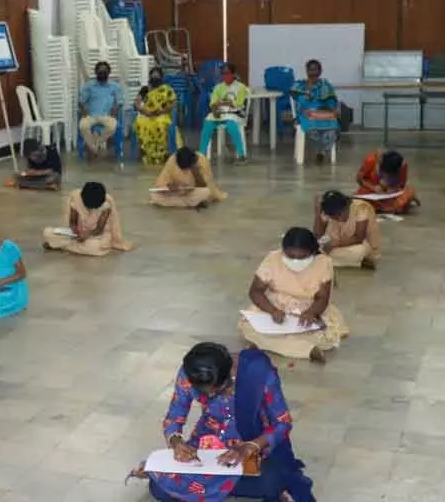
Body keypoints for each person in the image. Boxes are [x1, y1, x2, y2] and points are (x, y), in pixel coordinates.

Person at [127, 342, 315, 502]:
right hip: (208, 444)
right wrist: (177, 443)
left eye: (218, 390)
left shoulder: (257, 371)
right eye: (204, 392)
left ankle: (207, 488)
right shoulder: (189, 373)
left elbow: (282, 423)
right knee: (158, 488)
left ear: (229, 374)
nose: (209, 396)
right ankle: (219, 487)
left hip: (253, 442)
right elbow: (175, 416)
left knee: (272, 479)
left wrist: (250, 446)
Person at [241, 228, 348, 364]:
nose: (296, 261)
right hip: (275, 306)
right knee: (248, 327)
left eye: (302, 257)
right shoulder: (272, 259)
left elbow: (322, 297)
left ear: (312, 252)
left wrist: (311, 313)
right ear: (283, 250)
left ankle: (264, 343)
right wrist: (272, 310)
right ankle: (307, 350)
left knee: (324, 338)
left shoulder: (323, 263)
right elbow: (255, 291)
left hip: (310, 309)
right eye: (290, 256)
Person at [42, 181, 134, 256]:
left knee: (95, 247)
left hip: (97, 235)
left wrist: (87, 235)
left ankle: (60, 245)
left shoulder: (106, 203)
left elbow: (99, 229)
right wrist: (76, 231)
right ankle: (67, 245)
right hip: (78, 233)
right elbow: (73, 222)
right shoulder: (76, 197)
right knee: (48, 232)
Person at [314, 190, 380, 270]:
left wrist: (334, 244)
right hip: (336, 247)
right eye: (333, 217)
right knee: (314, 247)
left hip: (361, 246)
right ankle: (353, 262)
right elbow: (318, 235)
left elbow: (359, 238)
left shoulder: (361, 208)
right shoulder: (329, 212)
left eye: (338, 215)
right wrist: (317, 212)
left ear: (346, 207)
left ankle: (324, 260)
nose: (336, 219)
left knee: (360, 250)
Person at [291, 60, 340, 163]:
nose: (313, 72)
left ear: (320, 71)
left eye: (315, 70)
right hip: (306, 114)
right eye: (310, 70)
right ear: (307, 71)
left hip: (322, 113)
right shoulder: (299, 86)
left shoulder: (325, 86)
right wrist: (307, 96)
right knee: (311, 127)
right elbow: (298, 103)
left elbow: (332, 102)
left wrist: (330, 110)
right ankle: (322, 149)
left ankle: (321, 151)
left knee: (334, 126)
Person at [198, 63, 248, 163]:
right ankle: (201, 154)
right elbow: (213, 103)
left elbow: (238, 104)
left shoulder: (241, 87)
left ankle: (241, 155)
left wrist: (223, 102)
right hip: (220, 113)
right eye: (223, 74)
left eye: (228, 73)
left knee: (231, 125)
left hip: (234, 113)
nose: (225, 76)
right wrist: (215, 110)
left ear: (233, 74)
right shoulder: (218, 87)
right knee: (208, 123)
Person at [150, 146, 226, 209]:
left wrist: (196, 173)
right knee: (154, 196)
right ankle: (189, 204)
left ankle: (180, 203)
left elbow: (206, 186)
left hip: (192, 193)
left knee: (206, 193)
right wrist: (169, 187)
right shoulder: (172, 160)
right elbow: (161, 183)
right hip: (176, 193)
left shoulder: (202, 160)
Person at [134, 67, 181, 166]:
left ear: (161, 77)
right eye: (153, 75)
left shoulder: (167, 89)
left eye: (157, 75)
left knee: (160, 124)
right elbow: (136, 103)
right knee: (141, 123)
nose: (155, 77)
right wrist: (144, 111)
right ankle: (147, 152)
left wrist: (163, 110)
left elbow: (174, 103)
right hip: (147, 114)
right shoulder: (145, 89)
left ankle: (161, 153)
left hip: (162, 115)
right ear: (150, 77)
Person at [77, 61, 122, 160]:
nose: (102, 73)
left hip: (107, 115)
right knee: (83, 126)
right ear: (96, 72)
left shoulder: (115, 86)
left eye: (104, 71)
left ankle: (93, 146)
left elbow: (120, 102)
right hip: (91, 115)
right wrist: (83, 110)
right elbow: (81, 101)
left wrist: (116, 108)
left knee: (112, 126)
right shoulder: (89, 86)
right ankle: (95, 147)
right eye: (100, 71)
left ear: (109, 73)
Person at [354, 149, 419, 214]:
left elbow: (401, 185)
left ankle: (385, 207)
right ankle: (388, 207)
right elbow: (359, 179)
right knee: (359, 200)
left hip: (390, 194)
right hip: (371, 191)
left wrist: (393, 189)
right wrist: (373, 188)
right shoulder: (371, 160)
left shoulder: (402, 165)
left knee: (408, 193)